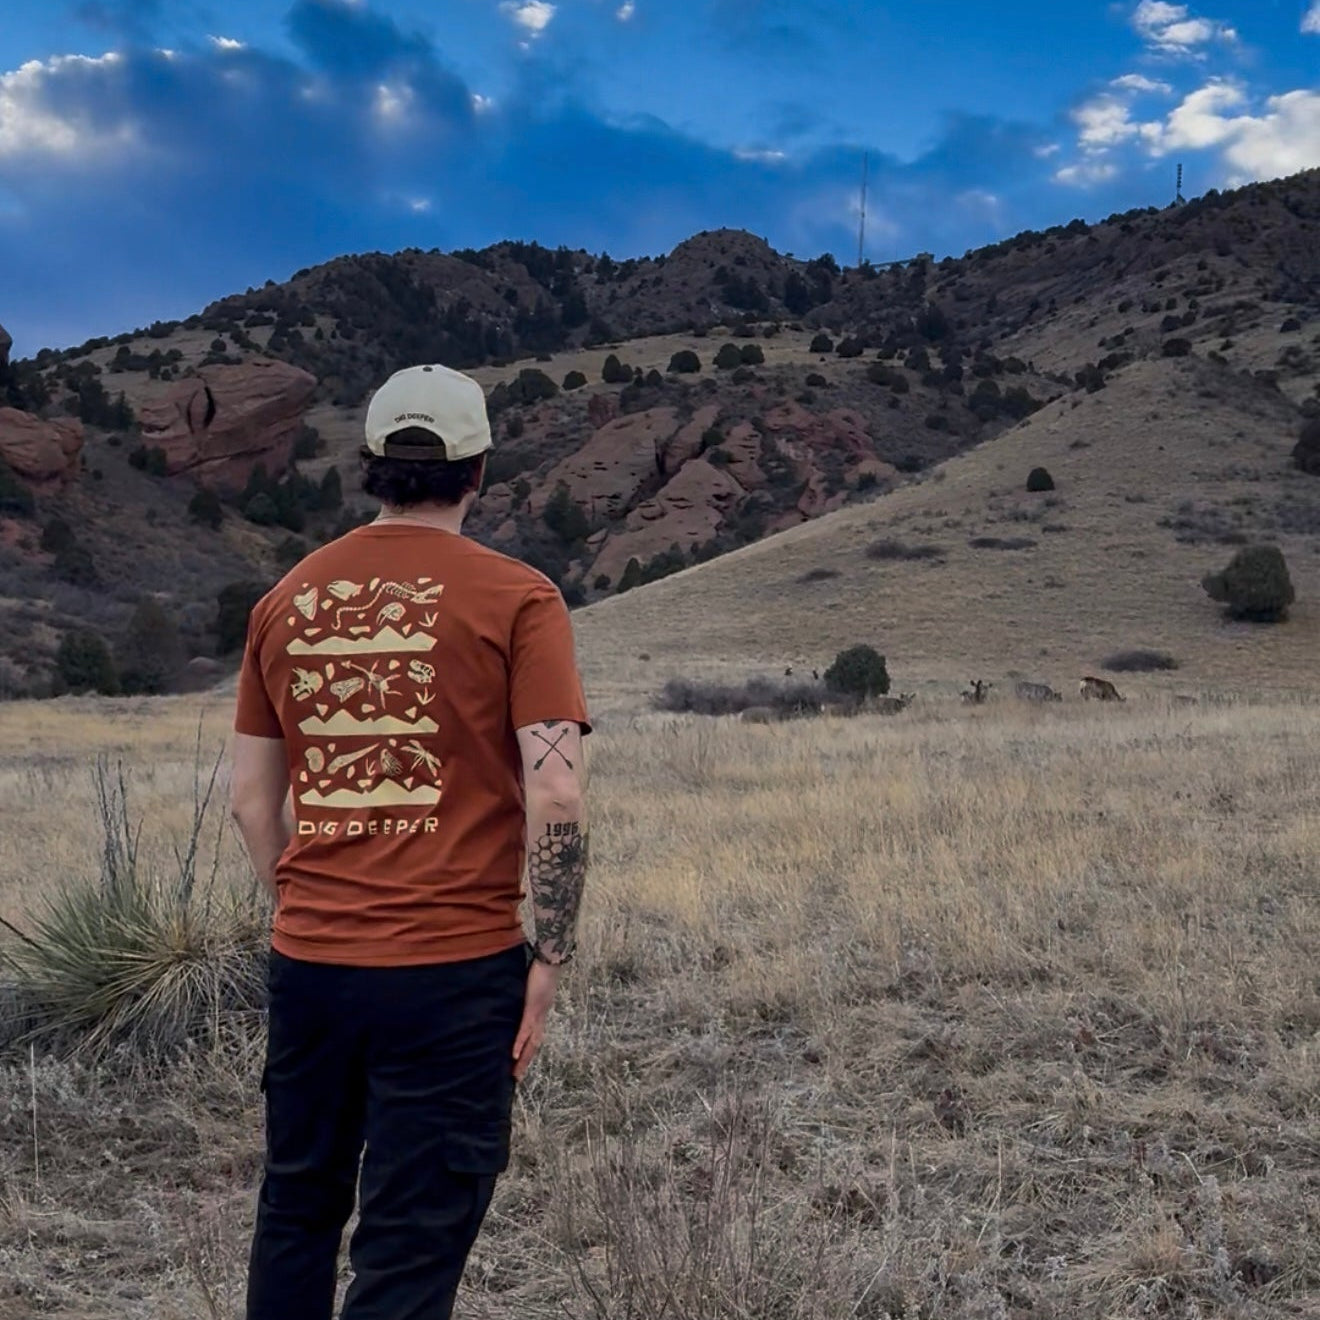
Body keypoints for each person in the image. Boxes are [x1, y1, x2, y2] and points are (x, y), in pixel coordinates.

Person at [230, 363, 591, 1320]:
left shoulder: (284, 600)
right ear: (480, 468)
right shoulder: (522, 600)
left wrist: (305, 907)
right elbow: (555, 789)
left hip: (310, 963)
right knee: (411, 1240)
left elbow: (249, 803)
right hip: (453, 971)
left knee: (297, 1205)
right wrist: (547, 955)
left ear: (372, 467)